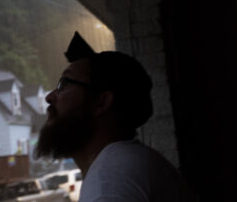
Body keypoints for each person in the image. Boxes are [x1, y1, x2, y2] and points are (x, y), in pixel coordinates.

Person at [35, 32, 194, 201]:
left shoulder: (110, 179)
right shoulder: (123, 165)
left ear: (101, 102)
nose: (49, 97)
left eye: (63, 84)